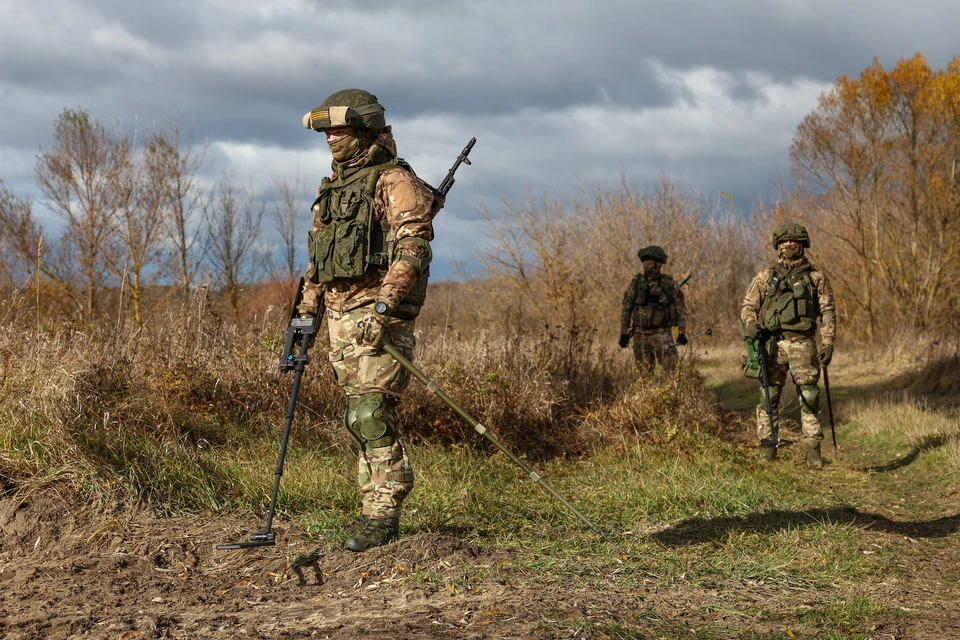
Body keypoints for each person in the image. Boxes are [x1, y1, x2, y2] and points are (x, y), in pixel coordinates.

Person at [297, 89, 440, 551]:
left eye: (338, 129)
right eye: (326, 132)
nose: (331, 138)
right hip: (339, 320)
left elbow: (414, 246)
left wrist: (384, 307)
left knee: (371, 411)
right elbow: (316, 262)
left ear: (363, 130)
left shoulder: (394, 181)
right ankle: (370, 509)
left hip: (378, 317)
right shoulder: (332, 189)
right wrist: (304, 316)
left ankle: (383, 514)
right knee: (356, 418)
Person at [740, 223, 836, 467]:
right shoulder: (766, 276)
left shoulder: (816, 277)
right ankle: (767, 448)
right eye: (785, 242)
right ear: (778, 246)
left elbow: (827, 311)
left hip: (804, 344)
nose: (789, 245)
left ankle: (813, 451)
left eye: (794, 241)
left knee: (810, 396)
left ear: (802, 244)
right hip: (773, 345)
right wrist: (751, 324)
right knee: (768, 396)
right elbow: (748, 307)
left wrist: (828, 343)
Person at [619, 245, 687, 372]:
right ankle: (647, 393)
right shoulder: (636, 285)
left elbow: (681, 309)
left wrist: (682, 333)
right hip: (640, 333)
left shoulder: (668, 284)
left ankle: (673, 392)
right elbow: (626, 309)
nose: (650, 266)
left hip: (662, 333)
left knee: (671, 369)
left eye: (652, 262)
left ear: (659, 264)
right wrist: (624, 333)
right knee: (644, 372)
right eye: (647, 262)